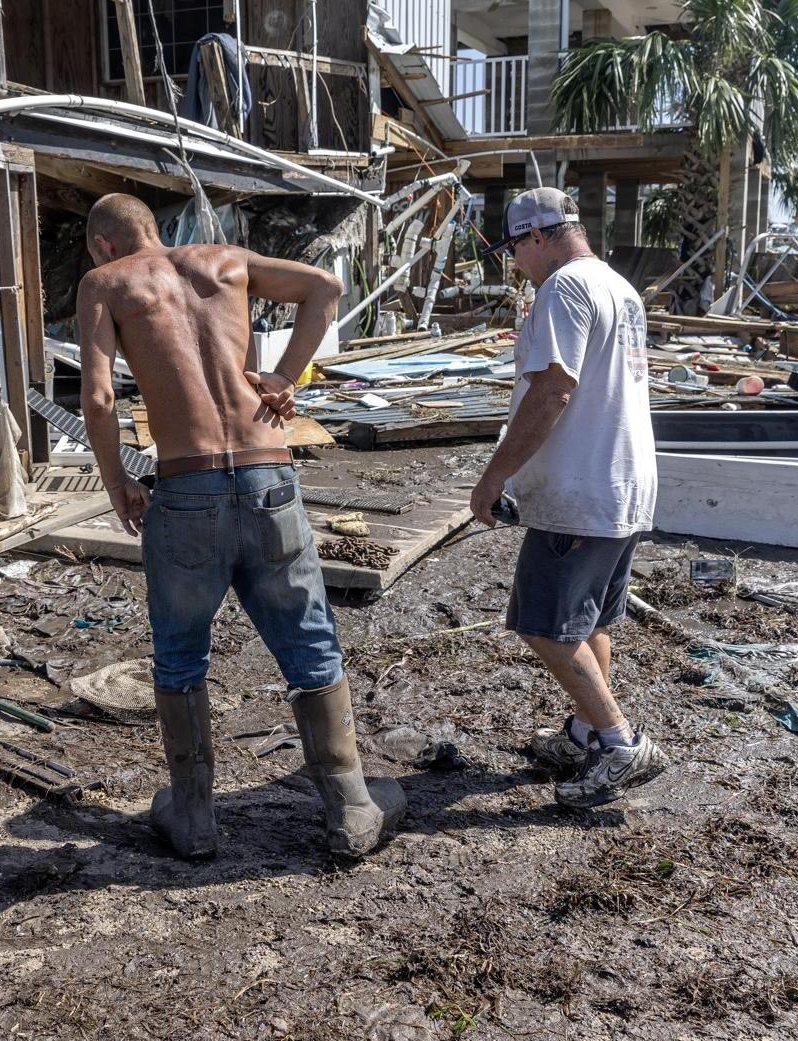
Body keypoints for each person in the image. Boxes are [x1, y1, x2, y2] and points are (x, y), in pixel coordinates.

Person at [74, 194, 405, 860]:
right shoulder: (224, 261)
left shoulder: (105, 284)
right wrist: (285, 376)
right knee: (308, 641)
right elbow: (325, 287)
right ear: (152, 230)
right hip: (267, 479)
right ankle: (349, 811)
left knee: (179, 652)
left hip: (187, 485)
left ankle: (194, 820)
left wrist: (118, 482)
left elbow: (100, 396)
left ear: (105, 246)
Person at [468, 187, 668, 809]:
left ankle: (617, 742)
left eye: (514, 251)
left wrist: (495, 475)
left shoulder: (564, 289)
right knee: (590, 621)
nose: (516, 265)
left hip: (581, 487)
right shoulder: (618, 286)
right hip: (622, 481)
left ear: (537, 236)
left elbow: (554, 391)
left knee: (547, 625)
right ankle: (587, 731)